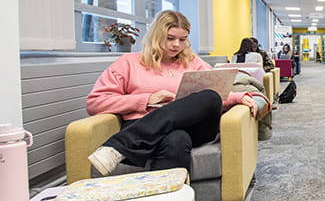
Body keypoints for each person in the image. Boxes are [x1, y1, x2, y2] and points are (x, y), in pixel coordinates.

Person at [86, 10, 262, 176]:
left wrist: (239, 96)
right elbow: (95, 102)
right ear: (156, 35)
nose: (176, 44)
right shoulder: (128, 63)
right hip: (146, 124)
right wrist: (147, 99)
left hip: (194, 127)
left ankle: (120, 145)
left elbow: (216, 94)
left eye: (182, 39)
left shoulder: (192, 62)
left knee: (210, 96)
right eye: (170, 38)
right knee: (176, 140)